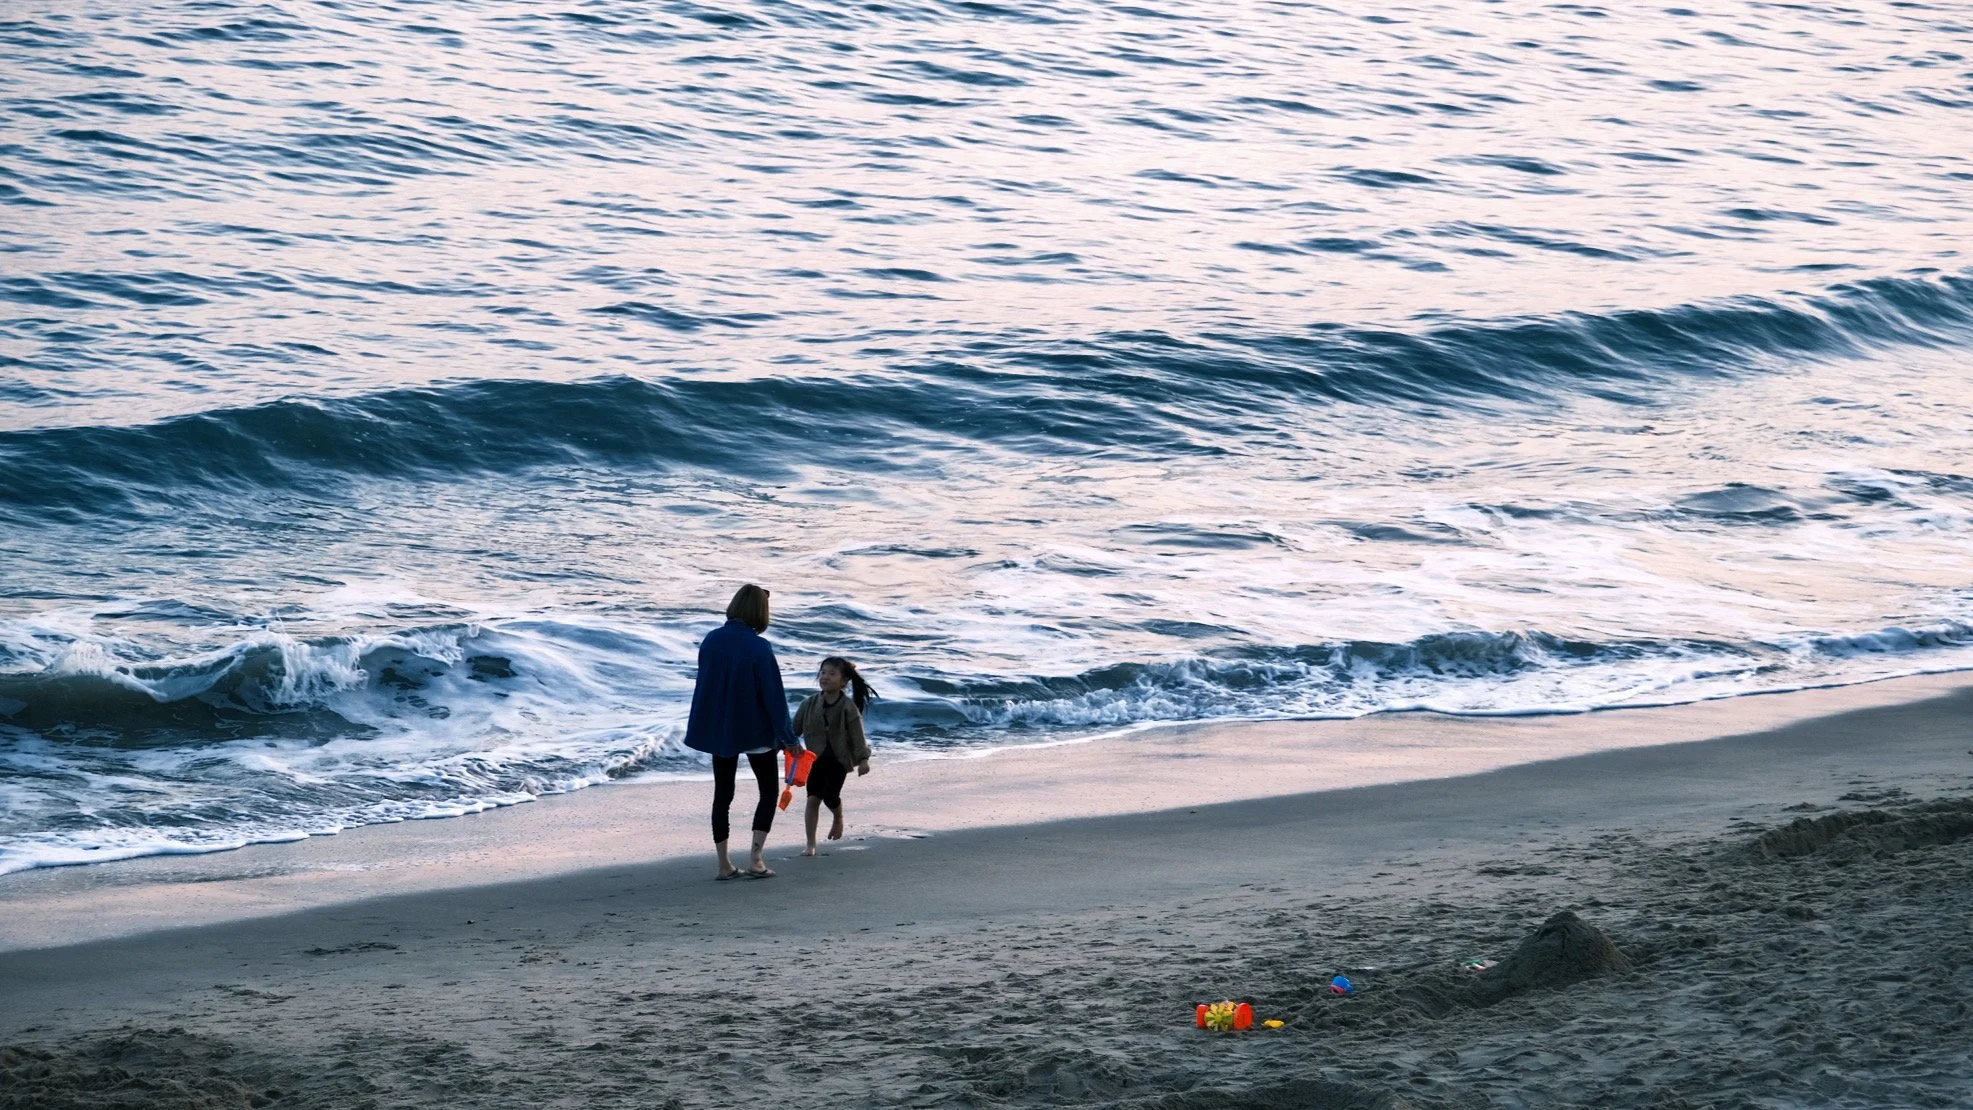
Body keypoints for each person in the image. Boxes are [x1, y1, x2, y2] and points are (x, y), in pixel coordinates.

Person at [683, 584, 800, 880]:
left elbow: (707, 686)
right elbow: (774, 697)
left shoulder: (711, 640)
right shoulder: (759, 647)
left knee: (723, 793)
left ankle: (723, 864)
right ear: (761, 612)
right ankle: (756, 860)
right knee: (767, 791)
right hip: (755, 728)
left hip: (721, 729)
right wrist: (789, 738)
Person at [792, 655, 874, 857]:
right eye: (823, 672)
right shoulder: (809, 704)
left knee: (829, 796)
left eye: (832, 673)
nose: (825, 677)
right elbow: (794, 730)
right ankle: (810, 845)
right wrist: (784, 744)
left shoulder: (848, 707)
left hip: (838, 761)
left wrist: (863, 760)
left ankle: (838, 817)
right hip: (814, 760)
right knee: (812, 800)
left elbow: (858, 737)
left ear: (843, 681)